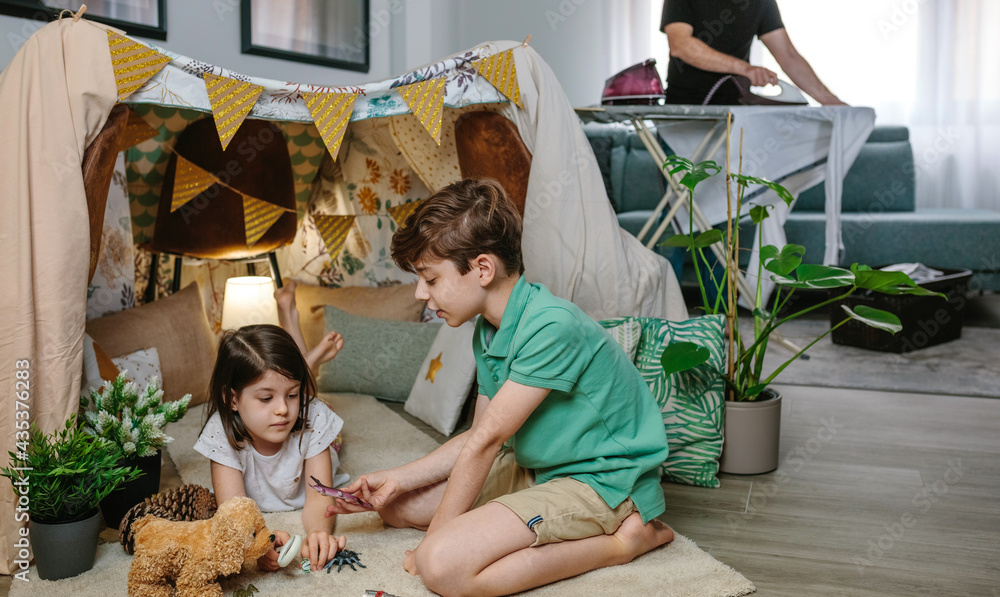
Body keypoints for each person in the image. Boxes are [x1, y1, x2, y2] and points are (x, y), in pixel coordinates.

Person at [326, 178, 675, 597]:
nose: (421, 293)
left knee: (441, 565)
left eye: (430, 279)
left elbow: (487, 441)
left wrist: (430, 546)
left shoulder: (552, 326)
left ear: (483, 269)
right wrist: (397, 479)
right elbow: (477, 435)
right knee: (396, 507)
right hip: (536, 466)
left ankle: (622, 543)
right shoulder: (487, 329)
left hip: (601, 478)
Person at [193, 319, 349, 572]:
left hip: (318, 430)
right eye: (266, 398)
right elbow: (234, 512)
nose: (282, 410)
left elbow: (319, 497)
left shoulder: (314, 417)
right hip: (295, 417)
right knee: (301, 398)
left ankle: (308, 367)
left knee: (323, 415)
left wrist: (319, 532)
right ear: (232, 399)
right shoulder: (219, 432)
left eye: (292, 394)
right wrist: (258, 543)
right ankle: (307, 367)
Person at [661, 0, 845, 105]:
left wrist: (830, 101)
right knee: (685, 174)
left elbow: (789, 56)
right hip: (685, 112)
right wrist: (745, 69)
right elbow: (681, 45)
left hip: (735, 110)